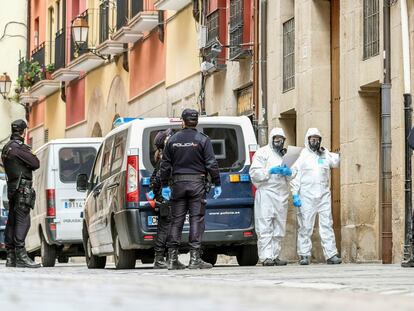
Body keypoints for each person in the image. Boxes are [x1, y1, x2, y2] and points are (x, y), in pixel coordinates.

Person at [160, 108, 221, 270]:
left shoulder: (172, 140)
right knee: (196, 219)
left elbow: (165, 165)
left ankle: (172, 259)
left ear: (183, 121)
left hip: (178, 185)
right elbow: (211, 163)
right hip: (197, 184)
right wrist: (217, 182)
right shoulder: (202, 139)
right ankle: (195, 259)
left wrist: (165, 185)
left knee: (176, 220)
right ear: (197, 122)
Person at [290, 128, 342, 265]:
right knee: (305, 226)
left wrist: (326, 152)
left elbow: (336, 162)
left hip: (323, 195)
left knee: (327, 224)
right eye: (312, 139)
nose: (315, 142)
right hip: (306, 196)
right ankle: (304, 254)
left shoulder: (324, 155)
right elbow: (295, 176)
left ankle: (331, 254)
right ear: (307, 140)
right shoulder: (302, 156)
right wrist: (295, 194)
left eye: (317, 139)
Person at [1, 119, 40, 268]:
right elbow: (35, 163)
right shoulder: (19, 148)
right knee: (23, 220)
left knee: (12, 220)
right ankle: (21, 256)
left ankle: (11, 257)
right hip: (22, 188)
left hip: (12, 187)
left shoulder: (6, 148)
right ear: (24, 131)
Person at [249, 128, 291, 266]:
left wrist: (289, 172)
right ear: (272, 139)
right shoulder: (262, 153)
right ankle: (266, 257)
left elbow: (295, 174)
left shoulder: (286, 155)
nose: (278, 141)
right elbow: (254, 173)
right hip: (266, 193)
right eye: (276, 138)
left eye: (281, 139)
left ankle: (275, 255)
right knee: (265, 225)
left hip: (282, 194)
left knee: (279, 227)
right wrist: (269, 171)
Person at [147, 128, 175, 269]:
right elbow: (158, 177)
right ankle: (159, 258)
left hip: (163, 196)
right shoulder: (165, 158)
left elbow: (154, 178)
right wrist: (160, 192)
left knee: (166, 226)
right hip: (166, 197)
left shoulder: (162, 157)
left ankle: (167, 257)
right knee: (165, 227)